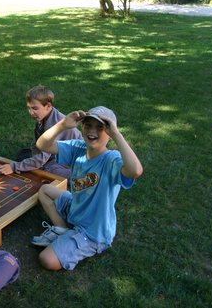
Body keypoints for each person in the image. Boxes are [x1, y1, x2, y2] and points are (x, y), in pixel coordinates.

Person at [31, 106, 143, 271]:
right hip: (76, 209)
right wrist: (62, 125)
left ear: (109, 132)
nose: (92, 131)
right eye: (88, 125)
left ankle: (73, 237)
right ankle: (62, 229)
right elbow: (42, 144)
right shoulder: (78, 148)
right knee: (45, 190)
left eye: (100, 127)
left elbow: (135, 171)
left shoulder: (111, 159)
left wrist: (117, 134)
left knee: (47, 259)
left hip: (92, 232)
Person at [0, 85, 82, 180]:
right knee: (24, 154)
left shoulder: (53, 125)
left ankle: (77, 176)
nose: (31, 112)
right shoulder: (44, 117)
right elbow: (37, 143)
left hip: (75, 161)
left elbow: (42, 158)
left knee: (47, 169)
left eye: (35, 108)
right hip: (55, 153)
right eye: (29, 108)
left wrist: (15, 166)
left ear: (48, 106)